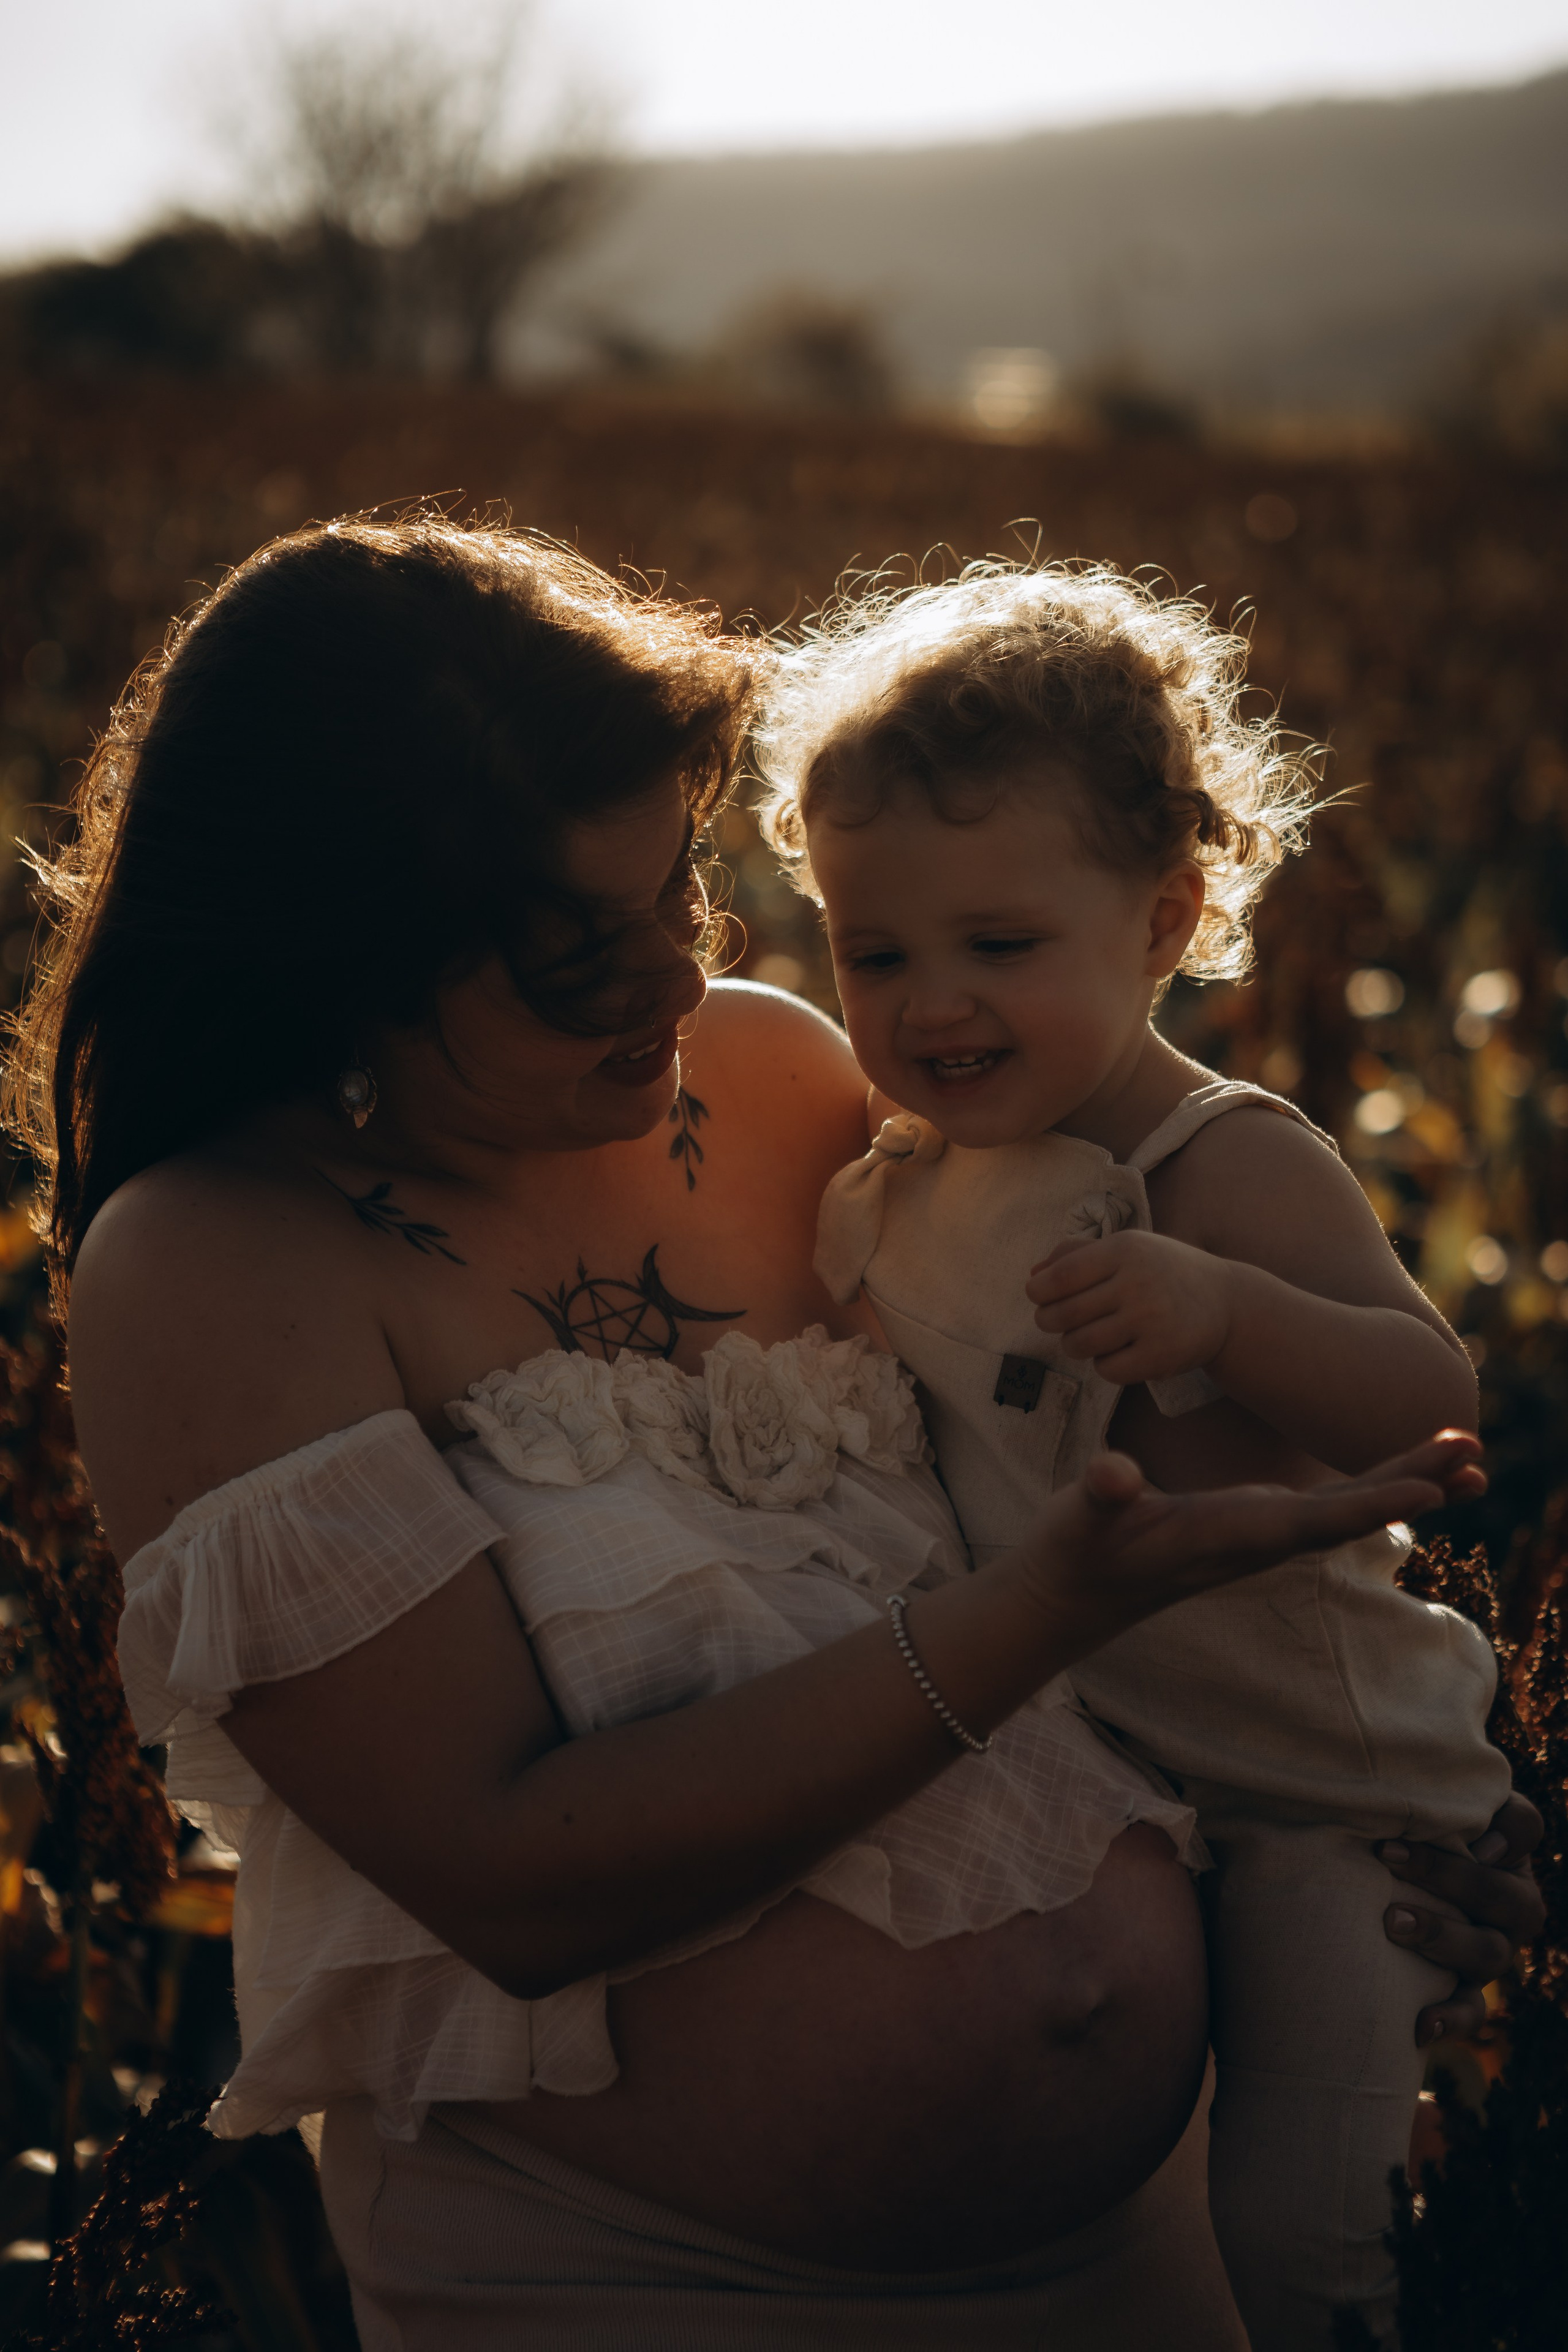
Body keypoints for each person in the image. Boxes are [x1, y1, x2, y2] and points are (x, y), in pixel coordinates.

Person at [9, 519, 1540, 2350]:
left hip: (1166, 2247)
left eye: (683, 888)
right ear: (345, 959)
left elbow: (1101, 1502)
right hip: (647, 2295)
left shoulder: (792, 1078)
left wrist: (1363, 1827)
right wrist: (1042, 1615)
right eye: (582, 952)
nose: (678, 976)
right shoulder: (214, 1261)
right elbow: (510, 1876)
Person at [760, 558, 1515, 2350]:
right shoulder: (915, 1175)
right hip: (1111, 1791)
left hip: (1323, 1795)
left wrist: (1229, 1315)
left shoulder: (1224, 1161)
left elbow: (1434, 1404)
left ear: (1165, 919)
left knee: (1308, 2242)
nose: (931, 1005)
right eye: (878, 954)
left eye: (1000, 947)